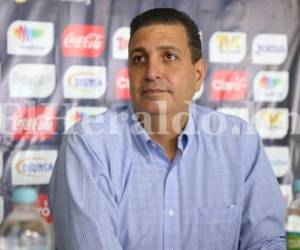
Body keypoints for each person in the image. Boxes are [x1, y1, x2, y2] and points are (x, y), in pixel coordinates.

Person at [49, 8, 286, 250]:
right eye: (139, 59)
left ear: (198, 74)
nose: (151, 73)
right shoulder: (89, 144)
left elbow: (266, 243)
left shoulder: (240, 143)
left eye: (169, 56)